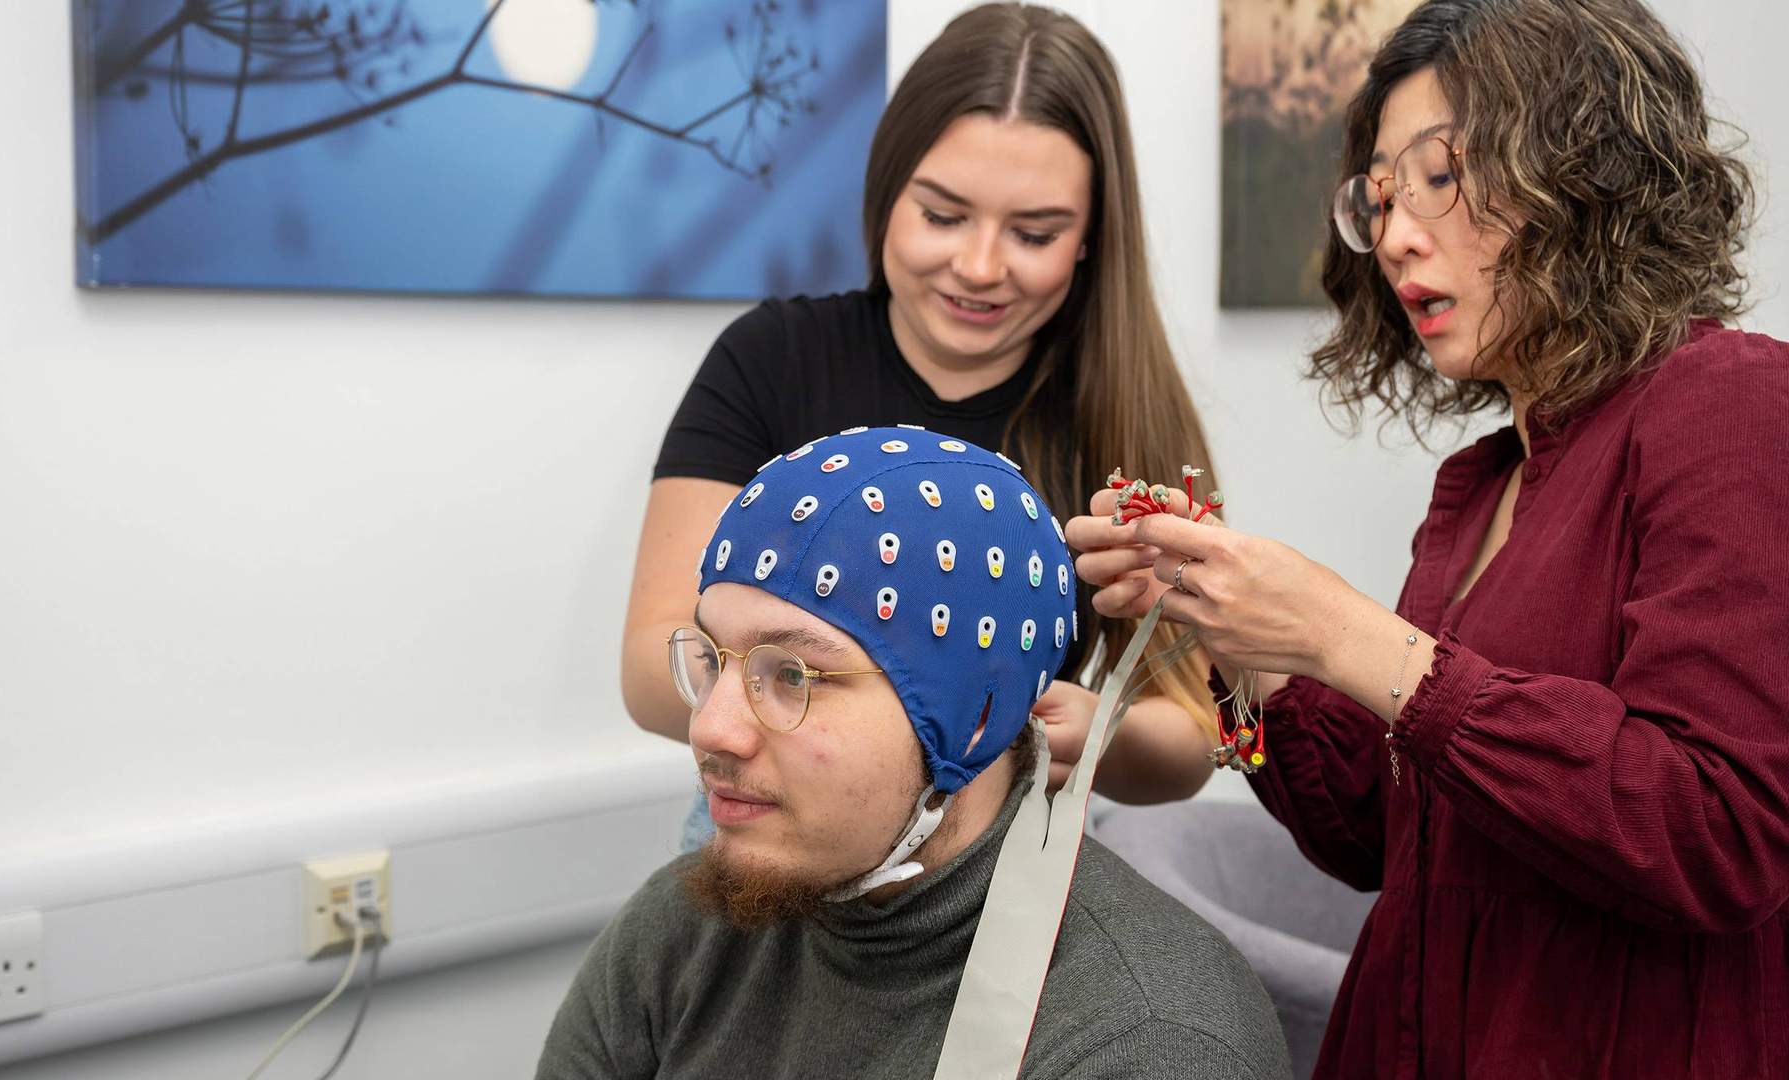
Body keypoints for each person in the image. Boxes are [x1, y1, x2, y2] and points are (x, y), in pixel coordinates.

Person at [1066, 0, 1789, 1076]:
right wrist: (1244, 642)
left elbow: (1716, 832)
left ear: (1583, 163)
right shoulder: (1486, 482)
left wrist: (1351, 636)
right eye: (1383, 197)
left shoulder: (1729, 400)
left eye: (1440, 176)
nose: (1399, 233)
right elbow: (1381, 840)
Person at [620, 4, 1219, 835]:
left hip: (1003, 865)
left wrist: (1099, 732)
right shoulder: (771, 359)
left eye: (1035, 233)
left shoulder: (1122, 408)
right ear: (887, 192)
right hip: (771, 833)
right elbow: (653, 667)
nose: (978, 267)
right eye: (942, 216)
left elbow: (1195, 727)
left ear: (1089, 239)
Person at [540, 428, 1290, 1080]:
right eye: (713, 657)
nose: (710, 729)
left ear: (972, 719)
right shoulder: (680, 933)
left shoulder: (1148, 1038)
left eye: (792, 675)